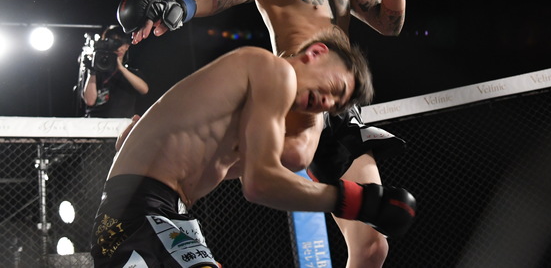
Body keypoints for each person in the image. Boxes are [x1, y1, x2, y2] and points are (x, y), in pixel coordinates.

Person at [118, 0, 412, 267]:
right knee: (237, 164)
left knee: (373, 247)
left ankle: (145, 152)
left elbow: (390, 23)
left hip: (339, 112)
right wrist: (182, 6)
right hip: (289, 100)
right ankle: (146, 157)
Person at [90, 29, 415, 267]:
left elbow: (289, 161)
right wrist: (361, 203)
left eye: (337, 105)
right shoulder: (272, 70)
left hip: (158, 216)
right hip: (143, 212)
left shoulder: (241, 123)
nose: (328, 103)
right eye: (336, 88)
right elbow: (261, 183)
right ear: (316, 52)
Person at [82, 25, 149, 118]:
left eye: (120, 43)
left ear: (127, 46)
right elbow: (90, 101)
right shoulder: (97, 71)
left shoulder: (132, 73)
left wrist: (121, 68)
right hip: (96, 122)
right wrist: (92, 71)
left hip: (121, 123)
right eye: (112, 42)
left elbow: (144, 89)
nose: (117, 47)